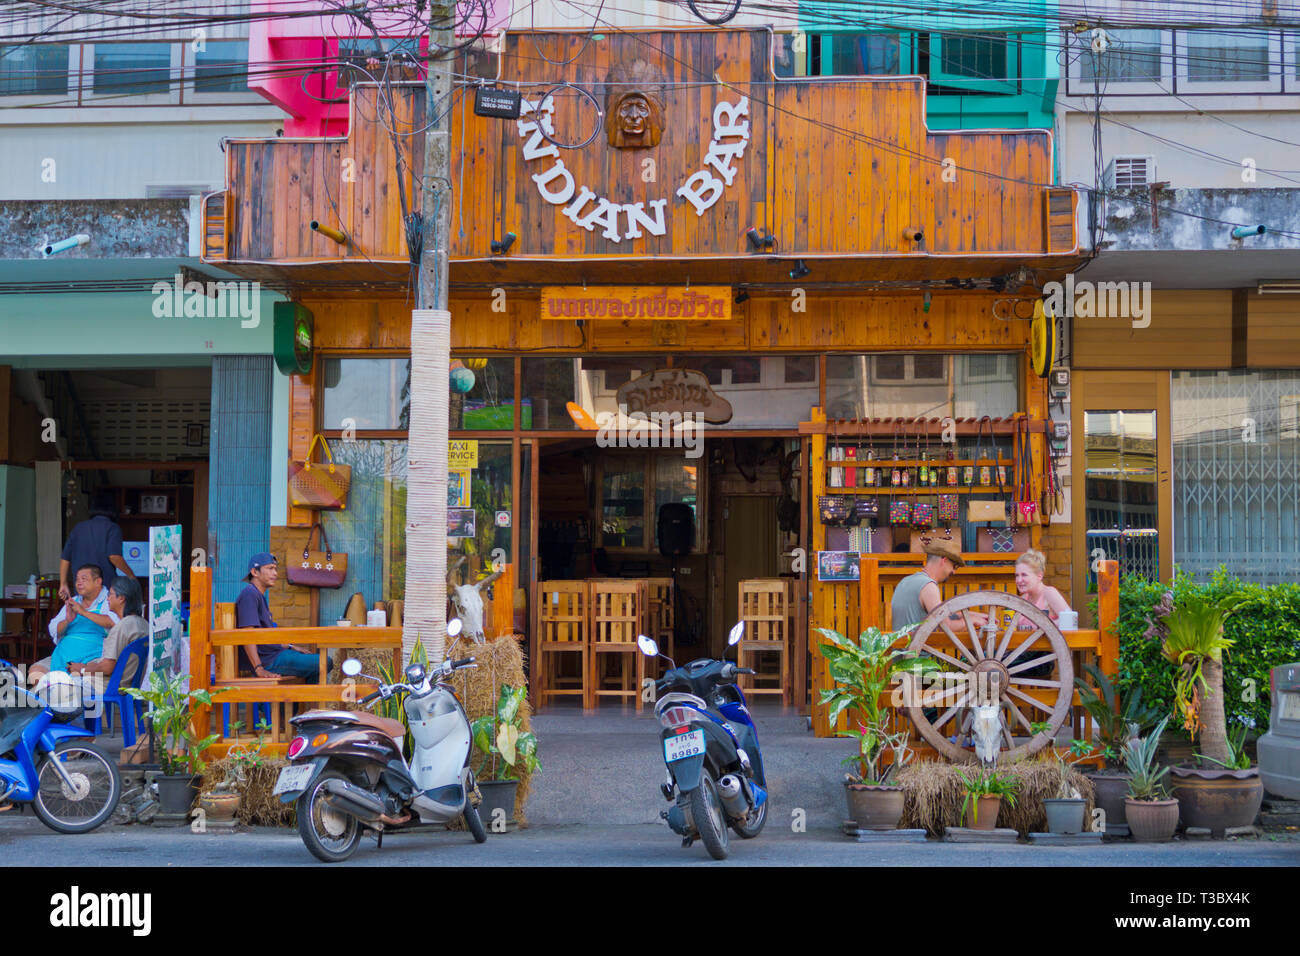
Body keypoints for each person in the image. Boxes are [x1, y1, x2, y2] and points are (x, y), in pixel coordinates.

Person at [236, 552, 331, 683]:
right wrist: (259, 668)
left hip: (275, 654)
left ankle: (304, 695)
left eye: (275, 569)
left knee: (315, 664)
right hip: (268, 660)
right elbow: (247, 634)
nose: (275, 573)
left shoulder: (258, 595)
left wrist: (291, 646)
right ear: (254, 572)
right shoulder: (250, 594)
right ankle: (308, 696)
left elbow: (265, 637)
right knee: (325, 662)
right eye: (270, 568)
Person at [28, 564, 119, 685]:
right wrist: (67, 620)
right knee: (35, 673)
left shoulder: (108, 600)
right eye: (77, 579)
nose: (78, 583)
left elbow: (114, 622)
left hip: (92, 658)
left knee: (86, 678)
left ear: (98, 581)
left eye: (84, 579)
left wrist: (83, 612)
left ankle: (59, 687)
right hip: (62, 658)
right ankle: (58, 688)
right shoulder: (73, 601)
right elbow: (53, 629)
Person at [889, 536, 988, 631]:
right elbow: (946, 627)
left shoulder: (905, 581)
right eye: (954, 566)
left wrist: (975, 616)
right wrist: (972, 620)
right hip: (917, 644)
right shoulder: (928, 586)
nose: (954, 572)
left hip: (901, 643)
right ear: (944, 560)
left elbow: (943, 616)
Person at [59, 491, 134, 602]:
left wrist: (63, 583)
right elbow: (114, 556)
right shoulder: (112, 528)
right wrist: (131, 576)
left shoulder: (78, 528)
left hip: (81, 589)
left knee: (83, 612)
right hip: (105, 588)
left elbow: (65, 558)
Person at [1013, 550, 1072, 626]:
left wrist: (1044, 627)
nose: (1019, 580)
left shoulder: (1049, 593)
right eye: (1017, 575)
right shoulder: (1023, 599)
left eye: (1024, 575)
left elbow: (1070, 619)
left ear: (1039, 576)